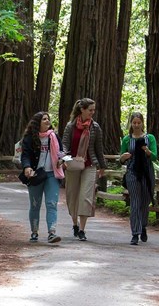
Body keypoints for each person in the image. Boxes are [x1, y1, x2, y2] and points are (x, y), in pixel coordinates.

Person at [62, 98, 107, 241]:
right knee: (72, 196)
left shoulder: (95, 127)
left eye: (94, 110)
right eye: (90, 110)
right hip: (73, 165)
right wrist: (64, 159)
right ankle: (74, 224)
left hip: (89, 165)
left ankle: (82, 229)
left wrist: (102, 166)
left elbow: (99, 148)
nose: (92, 113)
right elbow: (64, 145)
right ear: (82, 110)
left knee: (86, 197)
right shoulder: (71, 126)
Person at [21, 112, 65, 243]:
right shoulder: (29, 137)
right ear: (37, 123)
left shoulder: (54, 137)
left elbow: (61, 152)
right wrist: (27, 167)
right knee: (35, 205)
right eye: (44, 119)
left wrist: (62, 160)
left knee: (51, 203)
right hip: (36, 175)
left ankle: (52, 232)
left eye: (48, 119)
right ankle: (34, 232)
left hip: (52, 174)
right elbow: (25, 155)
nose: (47, 121)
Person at [119, 112, 158, 245]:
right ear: (131, 123)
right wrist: (123, 157)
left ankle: (143, 226)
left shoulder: (150, 138)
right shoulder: (126, 139)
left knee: (145, 202)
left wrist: (147, 151)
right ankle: (135, 233)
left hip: (147, 173)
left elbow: (154, 156)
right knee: (135, 202)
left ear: (142, 123)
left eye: (138, 123)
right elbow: (121, 158)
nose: (136, 125)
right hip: (132, 172)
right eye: (134, 123)